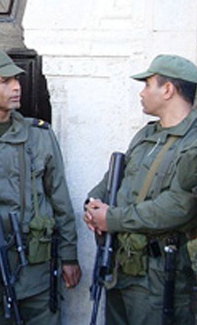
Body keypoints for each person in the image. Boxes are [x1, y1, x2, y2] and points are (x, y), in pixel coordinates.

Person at [0, 50, 81, 325]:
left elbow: (59, 198)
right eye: (5, 81)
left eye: (17, 80)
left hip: (37, 275)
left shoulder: (40, 135)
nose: (16, 87)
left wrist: (69, 256)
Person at [84, 54, 197, 325]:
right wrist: (93, 203)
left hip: (160, 278)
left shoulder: (192, 143)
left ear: (168, 89)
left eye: (148, 84)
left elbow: (179, 207)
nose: (142, 92)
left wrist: (111, 219)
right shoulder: (146, 135)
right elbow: (115, 178)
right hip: (122, 266)